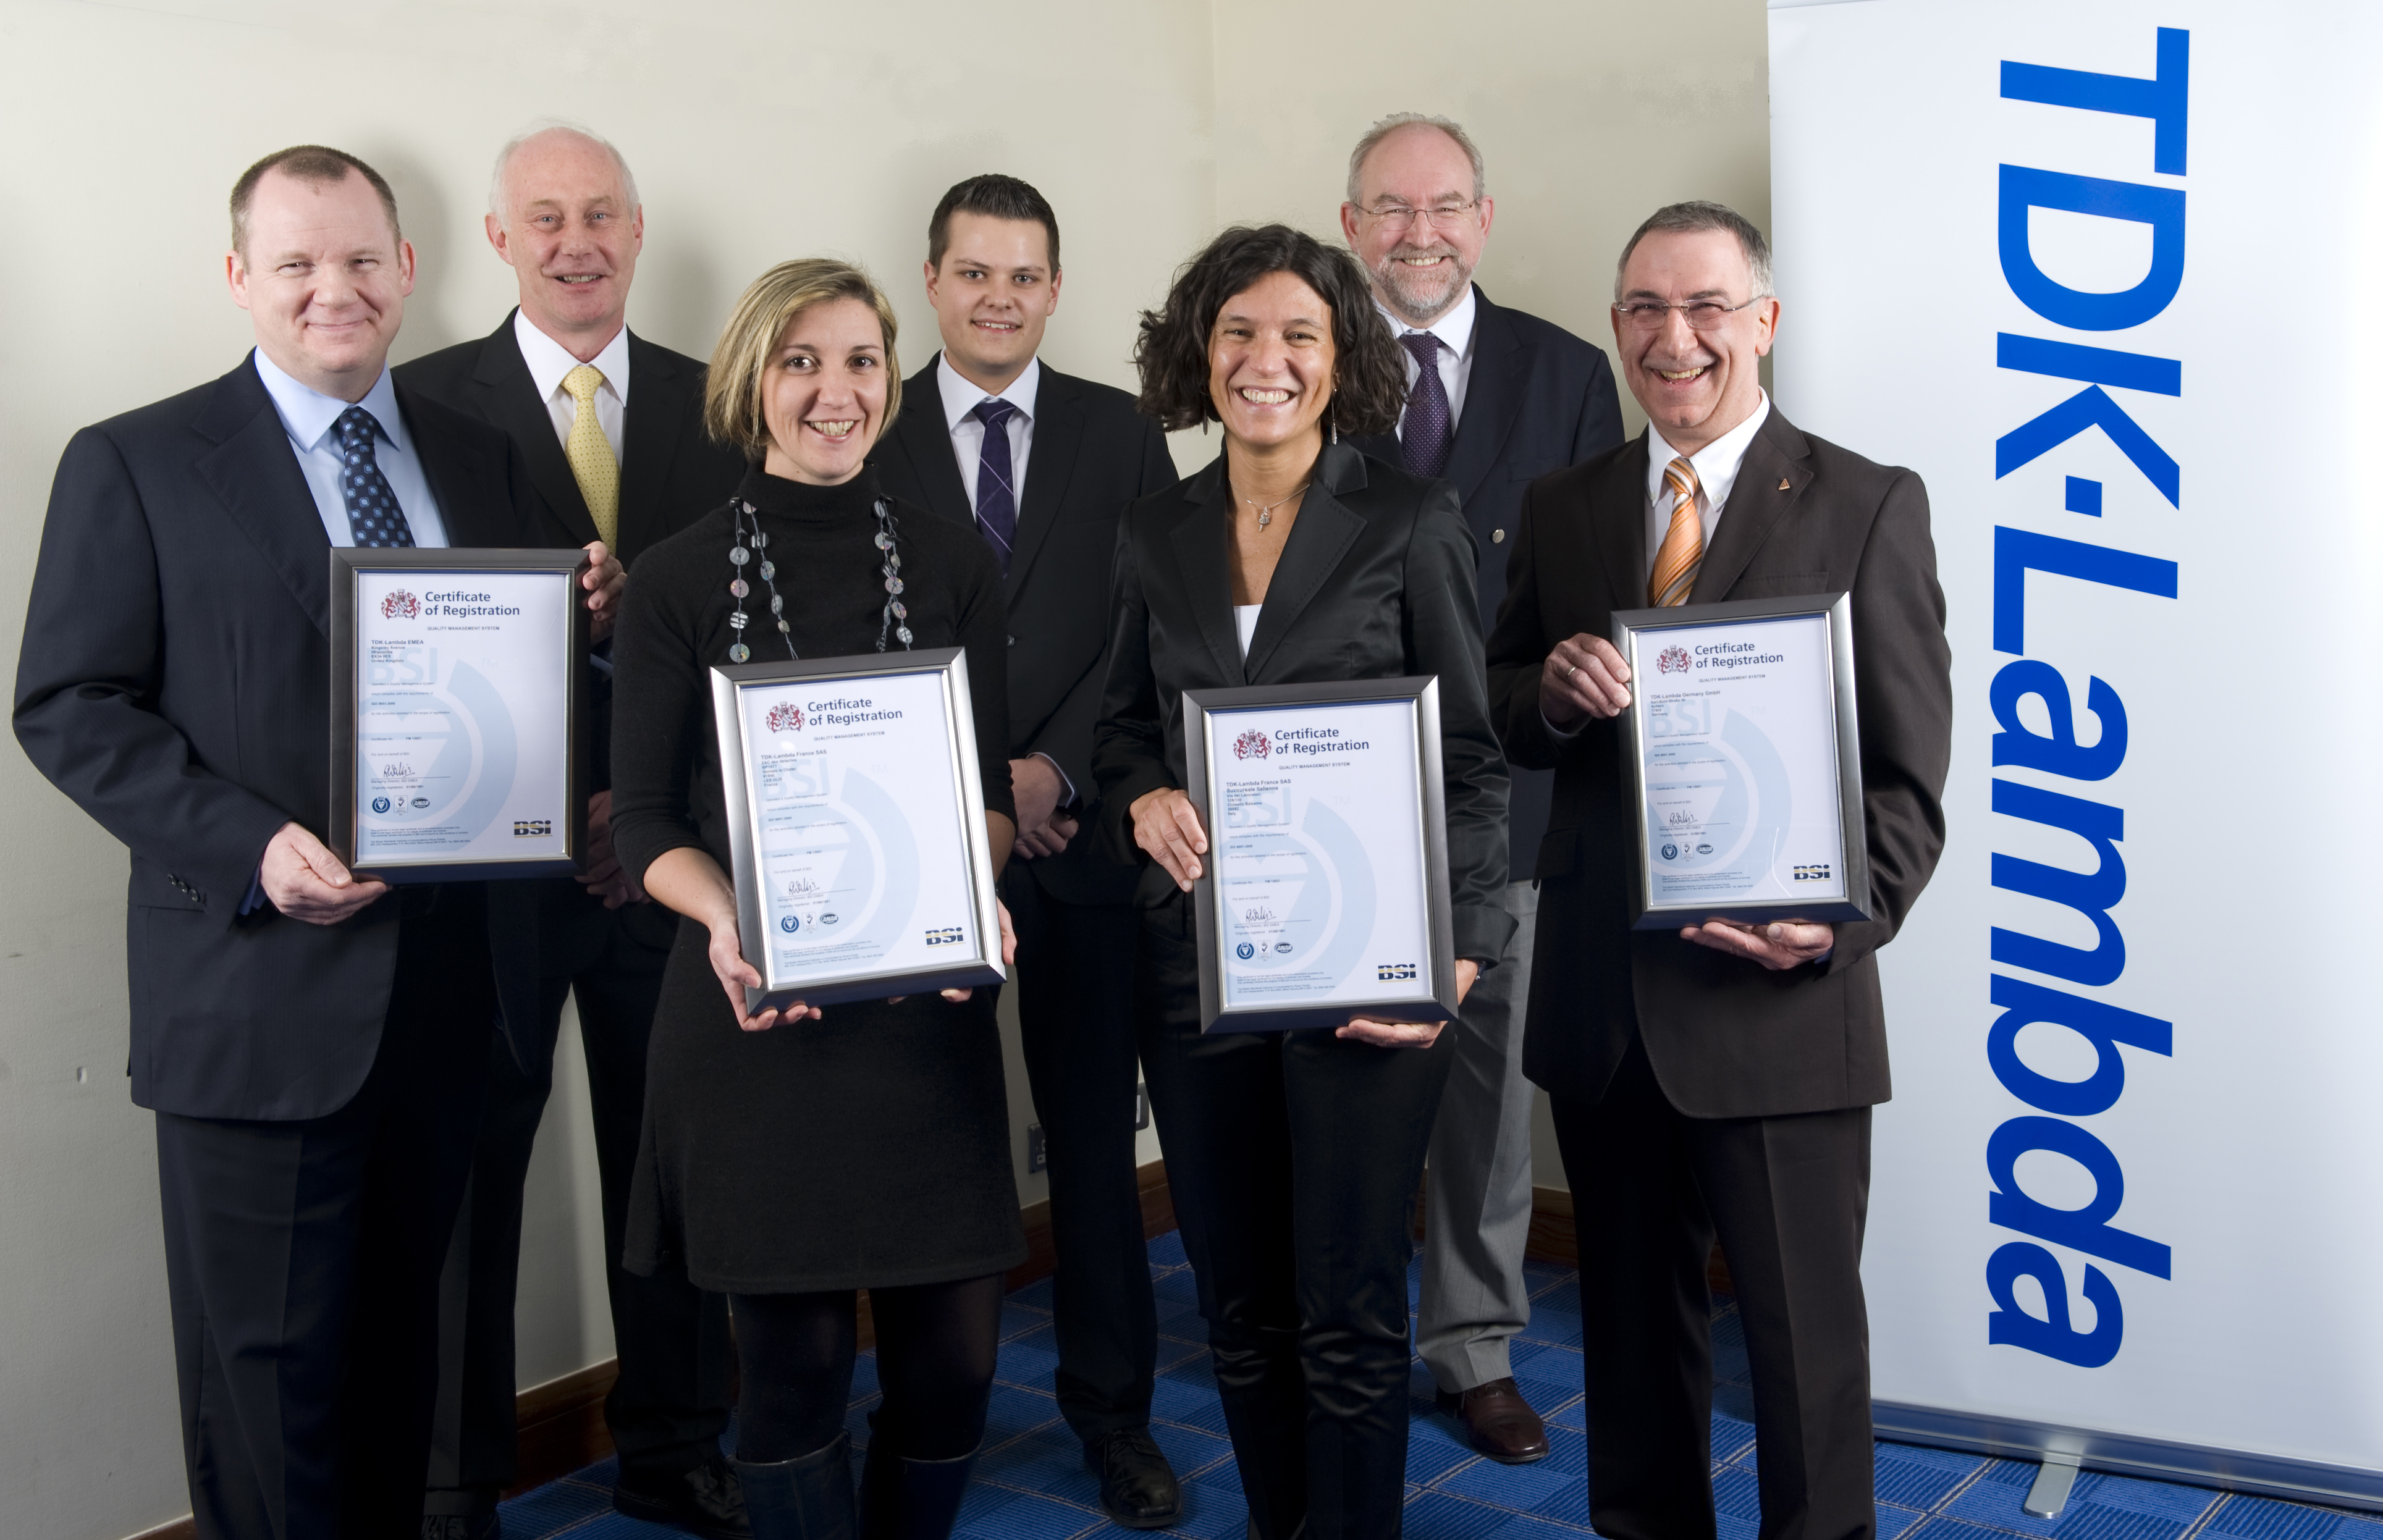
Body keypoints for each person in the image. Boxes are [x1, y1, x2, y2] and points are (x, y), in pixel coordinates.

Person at [11, 145, 620, 1539]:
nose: (332, 289)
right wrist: (252, 845)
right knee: (267, 1390)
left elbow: (539, 688)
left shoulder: (485, 455)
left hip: (452, 994)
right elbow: (69, 705)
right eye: (295, 263)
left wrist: (589, 641)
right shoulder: (138, 459)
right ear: (240, 279)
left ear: (410, 269)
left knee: (406, 1364)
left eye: (360, 259)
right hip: (257, 992)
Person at [1483, 201, 1951, 1540]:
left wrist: (1841, 926)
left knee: (1805, 1356)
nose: (1671, 338)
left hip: (1783, 1009)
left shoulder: (1867, 502)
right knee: (1630, 1347)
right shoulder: (1564, 504)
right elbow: (1504, 707)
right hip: (1607, 1006)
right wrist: (1555, 696)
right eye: (1642, 307)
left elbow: (1908, 782)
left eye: (1702, 308)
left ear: (1764, 320)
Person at [1092, 224, 1512, 1540]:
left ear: (1341, 361)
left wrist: (1458, 956)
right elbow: (1118, 728)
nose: (1263, 361)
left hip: (1371, 969)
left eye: (1297, 336)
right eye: (1236, 333)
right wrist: (1137, 798)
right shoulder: (1155, 527)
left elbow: (1473, 765)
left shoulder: (1410, 519)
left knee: (1347, 1303)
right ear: (1197, 351)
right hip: (1201, 966)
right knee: (1238, 1302)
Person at [607, 258, 1025, 1540]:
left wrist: (978, 886)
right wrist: (734, 921)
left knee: (953, 1367)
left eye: (856, 361)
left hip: (922, 1017)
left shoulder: (956, 560)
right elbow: (643, 825)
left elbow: (987, 796)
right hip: (753, 1025)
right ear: (753, 383)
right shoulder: (674, 578)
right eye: (801, 362)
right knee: (788, 1375)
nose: (833, 391)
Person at [396, 121, 747, 1540]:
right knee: (469, 1176)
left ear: (639, 227)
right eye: (543, 217)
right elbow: (402, 651)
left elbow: (757, 638)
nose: (575, 239)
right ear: (497, 240)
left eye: (600, 212)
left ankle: (676, 1446)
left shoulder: (721, 403)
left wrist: (649, 809)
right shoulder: (421, 403)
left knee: (668, 1165)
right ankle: (452, 1486)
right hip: (485, 875)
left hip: (662, 862)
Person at [867, 173, 1184, 1530]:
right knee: (923, 1138)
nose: (1000, 296)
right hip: (916, 843)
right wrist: (969, 787)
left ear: (1056, 288)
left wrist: (1053, 768)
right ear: (932, 282)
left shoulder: (1120, 432)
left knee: (1097, 1153)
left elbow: (1147, 620)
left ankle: (1114, 1414)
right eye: (974, 272)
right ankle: (923, 1416)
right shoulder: (860, 423)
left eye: (1026, 274)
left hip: (1084, 836)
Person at [1337, 111, 1624, 1462]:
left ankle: (1472, 1342)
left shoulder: (1566, 373)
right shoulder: (1306, 359)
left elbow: (1586, 596)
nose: (1420, 231)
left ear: (1485, 218)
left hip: (1501, 788)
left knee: (1488, 1091)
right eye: (1391, 208)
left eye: (1445, 204)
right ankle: (1329, 1326)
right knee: (1334, 1073)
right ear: (1353, 228)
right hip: (1333, 791)